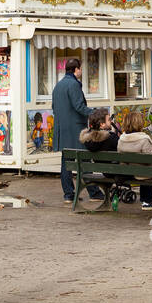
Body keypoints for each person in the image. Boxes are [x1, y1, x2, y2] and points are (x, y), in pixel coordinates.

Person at [52, 57, 95, 203]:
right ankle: (94, 192)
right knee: (85, 160)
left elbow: (54, 107)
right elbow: (79, 106)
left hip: (62, 130)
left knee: (66, 163)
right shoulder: (73, 85)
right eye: (80, 68)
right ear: (76, 69)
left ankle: (68, 195)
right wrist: (94, 113)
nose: (81, 71)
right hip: (76, 129)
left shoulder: (58, 85)